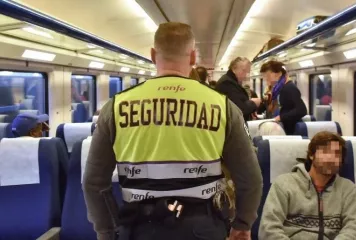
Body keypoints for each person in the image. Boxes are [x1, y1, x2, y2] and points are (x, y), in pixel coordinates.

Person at [82, 22, 263, 240]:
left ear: (152, 54)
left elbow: (93, 183)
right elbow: (250, 179)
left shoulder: (115, 107)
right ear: (193, 57)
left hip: (139, 227)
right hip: (203, 227)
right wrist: (242, 224)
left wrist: (107, 231)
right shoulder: (224, 107)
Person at [259, 131, 356, 239]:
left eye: (336, 154)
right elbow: (268, 229)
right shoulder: (284, 184)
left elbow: (353, 228)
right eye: (325, 152)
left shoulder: (347, 189)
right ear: (312, 155)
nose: (331, 158)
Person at [259, 60, 307, 135]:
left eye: (268, 76)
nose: (266, 79)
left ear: (278, 73)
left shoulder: (289, 87)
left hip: (289, 130)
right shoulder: (277, 89)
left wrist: (281, 117)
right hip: (280, 127)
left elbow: (301, 110)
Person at [216, 57, 261, 121]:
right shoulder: (227, 83)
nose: (246, 75)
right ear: (234, 69)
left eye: (248, 72)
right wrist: (254, 103)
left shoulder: (232, 82)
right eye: (244, 71)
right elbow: (239, 109)